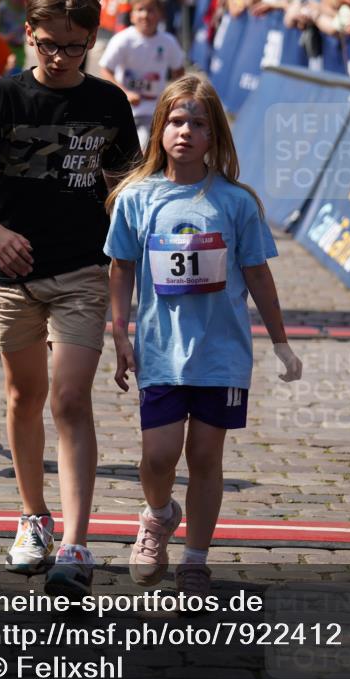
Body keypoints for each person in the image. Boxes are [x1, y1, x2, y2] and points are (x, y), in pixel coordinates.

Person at [0, 0, 140, 597]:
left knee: (69, 399)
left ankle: (77, 541)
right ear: (28, 35)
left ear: (91, 40)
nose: (59, 58)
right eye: (49, 45)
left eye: (74, 46)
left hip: (83, 271)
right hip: (10, 277)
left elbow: (124, 194)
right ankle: (33, 517)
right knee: (22, 397)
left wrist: (129, 281)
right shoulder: (4, 98)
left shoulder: (110, 104)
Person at [104, 74, 302, 598]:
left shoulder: (236, 202)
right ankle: (157, 514)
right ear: (158, 129)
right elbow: (121, 267)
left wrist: (280, 339)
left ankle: (196, 558)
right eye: (175, 121)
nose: (185, 132)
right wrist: (119, 333)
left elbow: (259, 272)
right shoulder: (136, 198)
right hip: (161, 352)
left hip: (222, 355)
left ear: (214, 135)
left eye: (197, 123)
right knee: (158, 456)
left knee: (206, 458)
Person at [99, 0, 185, 149]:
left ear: (160, 15)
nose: (145, 15)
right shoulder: (123, 39)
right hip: (124, 108)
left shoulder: (168, 42)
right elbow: (105, 70)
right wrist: (125, 92)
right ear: (132, 16)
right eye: (140, 10)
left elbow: (179, 71)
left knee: (142, 150)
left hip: (152, 111)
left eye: (151, 10)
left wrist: (170, 96)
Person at [0, 0, 29, 70]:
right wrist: (5, 37)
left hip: (19, 53)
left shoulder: (27, 10)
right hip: (2, 51)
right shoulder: (1, 9)